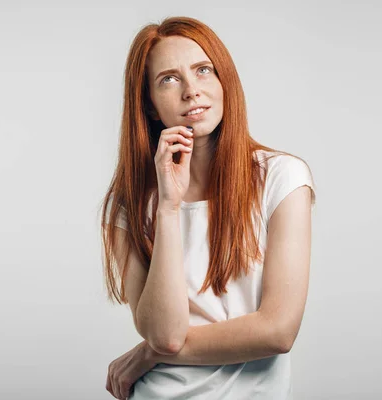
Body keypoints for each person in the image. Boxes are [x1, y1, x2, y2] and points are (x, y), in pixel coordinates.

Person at [100, 16, 316, 400]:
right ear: (150, 106)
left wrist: (147, 353)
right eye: (168, 79)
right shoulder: (132, 202)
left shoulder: (282, 178)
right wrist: (168, 206)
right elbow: (165, 333)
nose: (191, 91)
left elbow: (278, 331)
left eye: (203, 70)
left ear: (224, 81)